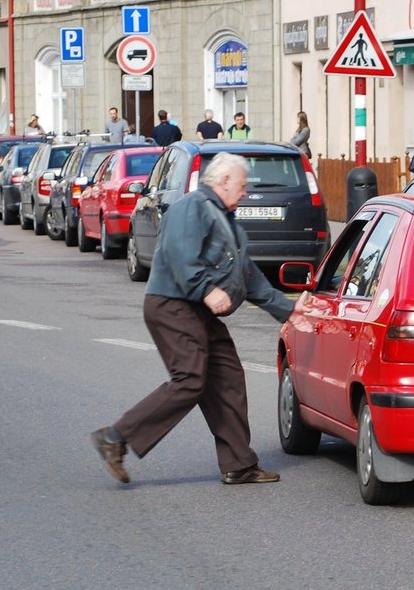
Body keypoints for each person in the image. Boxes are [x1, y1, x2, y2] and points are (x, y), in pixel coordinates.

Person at [90, 152, 295, 486]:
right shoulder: (193, 206)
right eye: (242, 186)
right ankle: (116, 437)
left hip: (196, 309)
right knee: (190, 379)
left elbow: (252, 281)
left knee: (227, 376)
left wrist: (296, 313)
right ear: (224, 181)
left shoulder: (229, 223)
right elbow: (178, 253)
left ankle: (239, 463)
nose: (246, 193)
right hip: (173, 305)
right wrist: (206, 290)